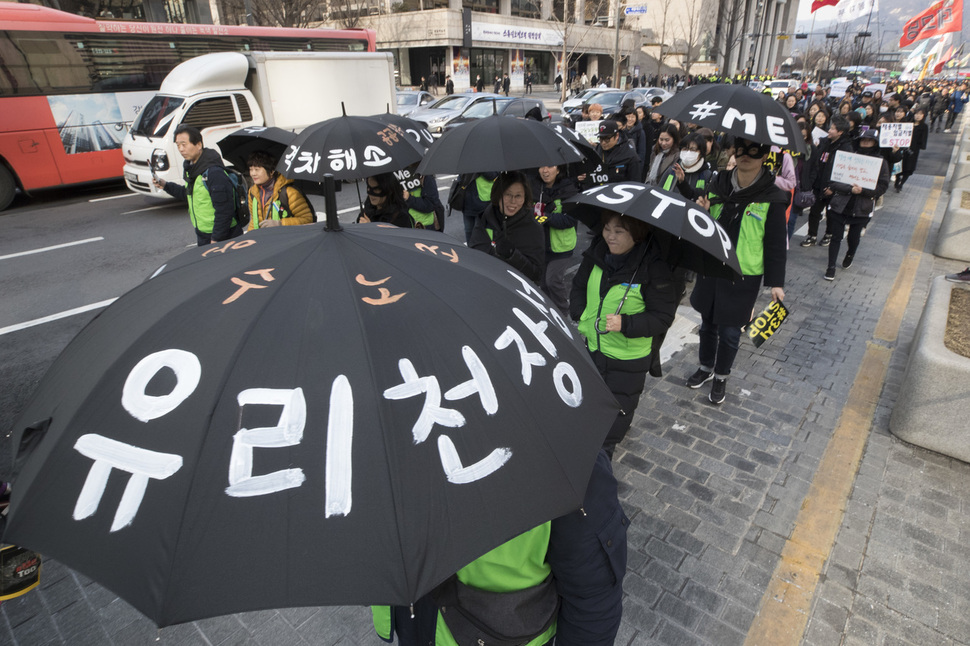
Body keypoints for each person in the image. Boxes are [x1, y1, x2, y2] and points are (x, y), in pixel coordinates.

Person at [689, 138, 788, 405]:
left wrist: (776, 283)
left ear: (764, 156)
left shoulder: (773, 196)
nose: (746, 155)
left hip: (743, 274)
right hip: (713, 266)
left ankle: (721, 376)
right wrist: (703, 213)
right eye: (741, 149)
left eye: (754, 151)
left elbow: (776, 244)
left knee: (731, 332)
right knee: (707, 324)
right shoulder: (718, 184)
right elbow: (703, 226)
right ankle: (706, 367)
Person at [570, 213, 678, 455]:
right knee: (590, 410)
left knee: (612, 425)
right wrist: (579, 311)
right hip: (594, 349)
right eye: (607, 229)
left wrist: (626, 323)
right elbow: (578, 285)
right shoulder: (596, 254)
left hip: (627, 361)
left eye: (619, 231)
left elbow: (662, 317)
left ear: (636, 235)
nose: (610, 236)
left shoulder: (654, 267)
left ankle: (599, 472)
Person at [153, 124, 243, 246]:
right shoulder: (192, 169)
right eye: (178, 145)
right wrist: (165, 185)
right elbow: (189, 194)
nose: (180, 149)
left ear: (199, 144)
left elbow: (224, 210)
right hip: (203, 234)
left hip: (224, 237)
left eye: (184, 144)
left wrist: (216, 239)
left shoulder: (214, 173)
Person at [821, 128, 889, 281]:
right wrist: (850, 189)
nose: (866, 144)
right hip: (840, 205)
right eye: (863, 141)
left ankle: (850, 253)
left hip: (862, 208)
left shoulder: (881, 163)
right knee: (836, 237)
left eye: (869, 141)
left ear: (875, 143)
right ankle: (830, 267)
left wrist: (863, 191)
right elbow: (834, 181)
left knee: (853, 237)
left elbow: (882, 186)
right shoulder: (849, 158)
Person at [469, 171, 545, 284]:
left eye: (518, 196)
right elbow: (474, 256)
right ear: (498, 194)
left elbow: (536, 274)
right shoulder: (485, 218)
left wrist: (513, 255)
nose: (513, 201)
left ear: (525, 197)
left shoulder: (532, 227)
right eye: (508, 194)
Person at [530, 164, 579, 313]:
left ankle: (563, 313)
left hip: (561, 247)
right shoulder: (534, 187)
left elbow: (570, 220)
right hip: (541, 244)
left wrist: (546, 218)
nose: (545, 170)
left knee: (553, 281)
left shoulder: (569, 189)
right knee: (543, 284)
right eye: (541, 166)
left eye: (550, 166)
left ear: (558, 169)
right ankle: (549, 313)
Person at [801, 115, 853, 248]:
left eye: (833, 129)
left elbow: (844, 172)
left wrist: (833, 188)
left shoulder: (846, 148)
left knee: (831, 214)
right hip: (818, 184)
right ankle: (811, 236)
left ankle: (828, 234)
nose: (829, 130)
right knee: (814, 212)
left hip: (832, 187)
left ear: (840, 132)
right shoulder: (824, 142)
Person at [245, 151, 314, 230]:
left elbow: (307, 219)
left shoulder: (289, 192)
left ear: (271, 171)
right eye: (251, 169)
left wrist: (280, 223)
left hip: (285, 240)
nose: (253, 174)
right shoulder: (252, 192)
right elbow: (254, 221)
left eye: (257, 170)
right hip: (263, 240)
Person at [581, 120, 642, 189]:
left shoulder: (630, 155)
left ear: (617, 136)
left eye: (607, 139)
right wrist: (582, 177)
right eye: (601, 139)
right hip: (598, 194)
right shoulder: (595, 152)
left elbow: (636, 184)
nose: (603, 143)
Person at [895, 107, 928, 192]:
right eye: (917, 114)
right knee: (899, 166)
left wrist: (919, 145)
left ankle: (901, 184)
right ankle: (897, 179)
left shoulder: (924, 126)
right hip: (903, 148)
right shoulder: (908, 124)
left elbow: (923, 140)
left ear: (923, 116)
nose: (918, 116)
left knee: (909, 168)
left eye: (920, 114)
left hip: (913, 151)